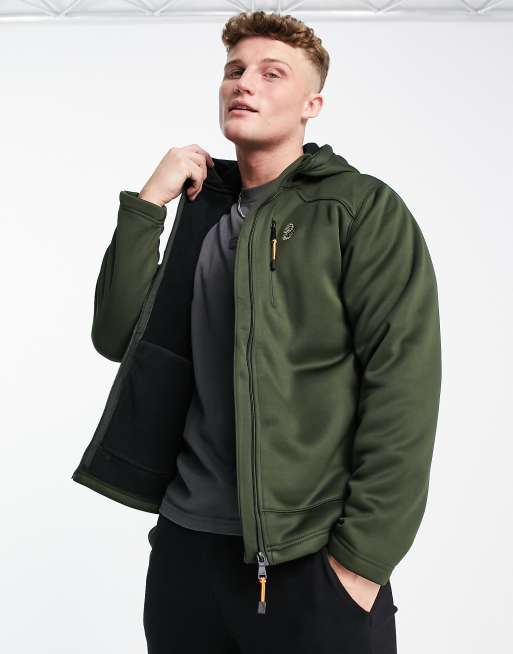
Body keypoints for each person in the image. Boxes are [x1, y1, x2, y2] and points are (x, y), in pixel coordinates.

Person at [71, 10, 441, 654]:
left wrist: (361, 562)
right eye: (235, 70)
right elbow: (116, 337)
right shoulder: (199, 207)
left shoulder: (358, 208)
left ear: (311, 105)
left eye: (273, 74)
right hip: (188, 550)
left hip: (310, 558)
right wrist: (148, 204)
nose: (245, 83)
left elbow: (403, 385)